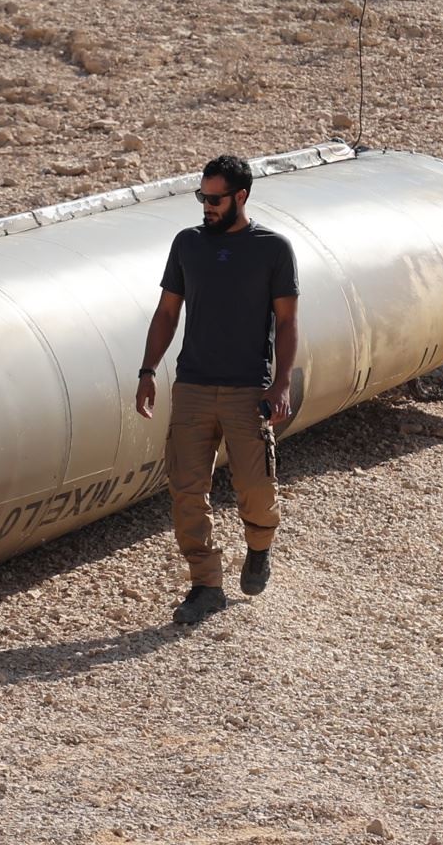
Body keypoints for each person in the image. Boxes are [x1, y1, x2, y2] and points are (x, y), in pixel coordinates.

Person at [135, 156, 298, 626]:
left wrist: (281, 381)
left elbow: (287, 322)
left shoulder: (273, 249)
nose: (206, 206)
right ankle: (206, 585)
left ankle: (259, 548)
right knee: (186, 490)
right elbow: (166, 313)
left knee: (256, 487)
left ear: (240, 196)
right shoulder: (187, 245)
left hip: (249, 390)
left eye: (215, 198)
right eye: (202, 197)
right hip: (193, 388)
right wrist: (148, 370)